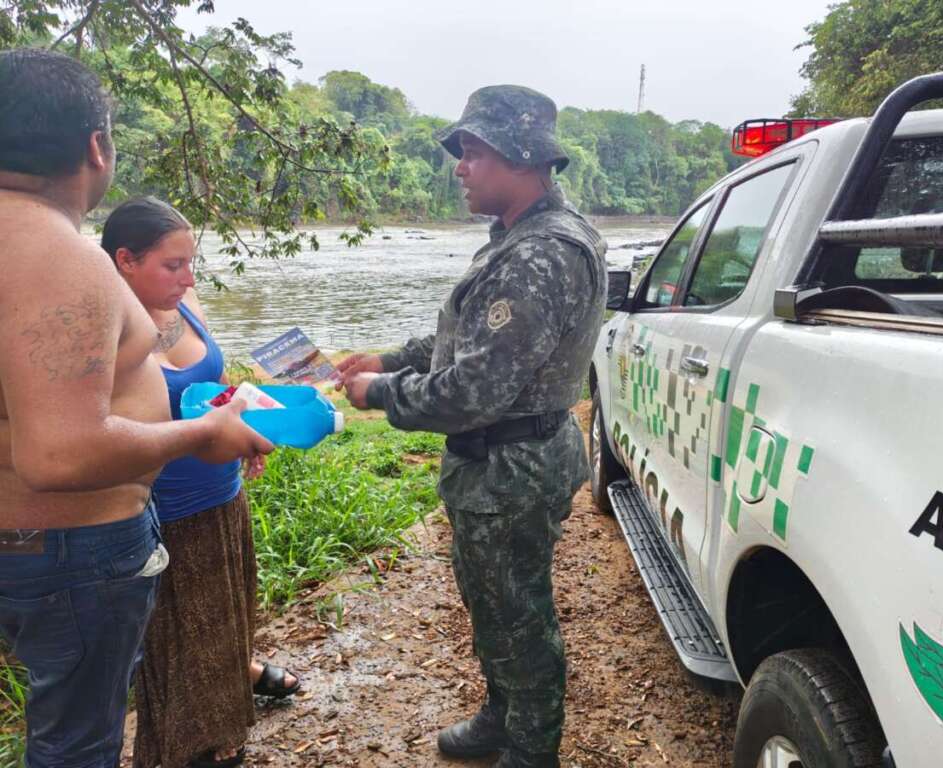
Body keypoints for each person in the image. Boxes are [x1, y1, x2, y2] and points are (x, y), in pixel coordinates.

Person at [0, 49, 274, 767]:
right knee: (77, 746)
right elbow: (58, 453)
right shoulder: (57, 252)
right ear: (96, 147)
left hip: (28, 546)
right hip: (71, 548)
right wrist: (201, 431)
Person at [337, 85, 607, 768]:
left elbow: (473, 391)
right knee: (490, 600)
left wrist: (379, 393)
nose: (460, 167)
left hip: (512, 464)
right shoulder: (515, 238)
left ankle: (531, 748)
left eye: (473, 152)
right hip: (499, 463)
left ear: (520, 157)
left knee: (518, 612)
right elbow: (472, 339)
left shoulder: (542, 253)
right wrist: (391, 359)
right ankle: (502, 715)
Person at [100, 198, 301, 768]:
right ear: (125, 261)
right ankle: (194, 751)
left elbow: (215, 387)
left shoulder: (183, 301)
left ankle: (234, 695)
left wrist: (244, 427)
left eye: (191, 262)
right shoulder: (105, 324)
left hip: (221, 494)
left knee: (226, 616)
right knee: (178, 644)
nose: (189, 277)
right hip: (162, 511)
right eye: (173, 265)